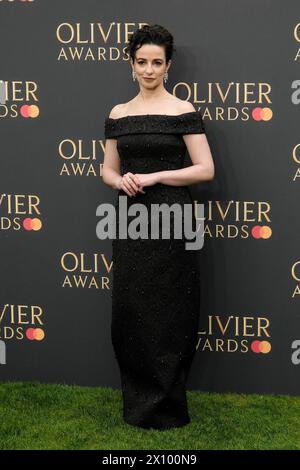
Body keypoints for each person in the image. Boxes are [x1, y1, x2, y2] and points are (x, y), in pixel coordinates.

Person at [102, 24, 214, 430]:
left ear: (168, 66)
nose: (149, 70)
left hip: (174, 220)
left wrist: (155, 176)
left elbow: (205, 168)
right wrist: (122, 181)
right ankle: (137, 404)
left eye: (157, 63)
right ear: (132, 65)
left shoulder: (182, 111)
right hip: (130, 220)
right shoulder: (118, 114)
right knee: (131, 310)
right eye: (142, 62)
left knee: (171, 310)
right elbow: (107, 170)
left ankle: (169, 405)